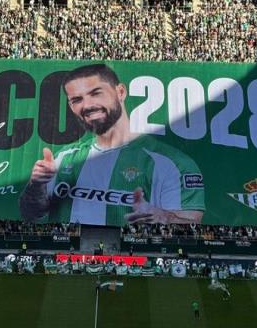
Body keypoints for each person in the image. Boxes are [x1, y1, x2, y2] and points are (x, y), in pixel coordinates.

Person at [19, 63, 205, 226]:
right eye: (77, 100)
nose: (87, 105)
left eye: (96, 93)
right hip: (69, 254)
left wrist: (165, 218)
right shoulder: (63, 158)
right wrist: (36, 185)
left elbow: (192, 223)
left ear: (120, 92)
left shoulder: (172, 163)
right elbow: (31, 214)